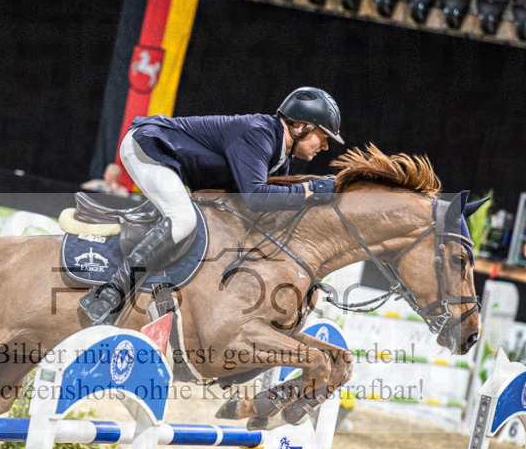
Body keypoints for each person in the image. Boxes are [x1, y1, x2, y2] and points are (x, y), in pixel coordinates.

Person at [79, 86, 343, 325]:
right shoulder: (258, 133)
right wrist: (310, 189)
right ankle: (110, 293)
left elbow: (272, 210)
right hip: (150, 148)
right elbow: (256, 198)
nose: (326, 145)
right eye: (323, 135)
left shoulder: (279, 158)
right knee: (183, 220)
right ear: (300, 127)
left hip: (176, 166)